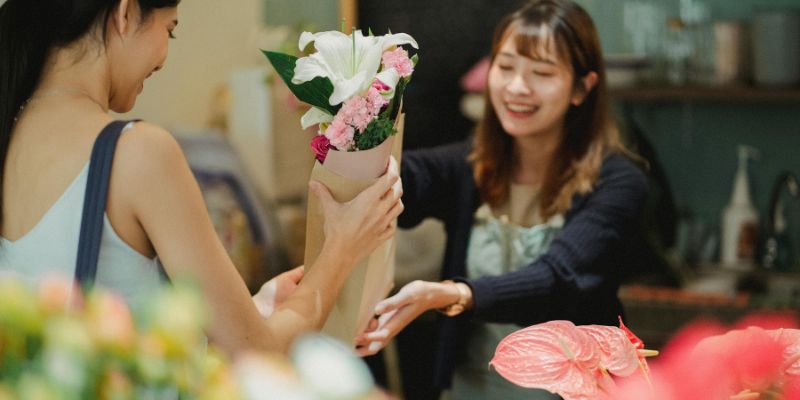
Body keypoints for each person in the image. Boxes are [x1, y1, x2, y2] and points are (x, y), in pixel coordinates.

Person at [0, 0, 403, 356]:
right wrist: (343, 248)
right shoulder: (137, 152)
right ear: (124, 13)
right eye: (169, 30)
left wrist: (249, 310)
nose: (163, 58)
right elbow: (258, 352)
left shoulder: (12, 137)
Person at [356, 0, 648, 398]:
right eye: (506, 67)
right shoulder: (469, 166)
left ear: (583, 87)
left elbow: (558, 281)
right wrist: (351, 121)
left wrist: (457, 294)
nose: (516, 87)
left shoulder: (619, 183)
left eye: (542, 73)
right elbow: (402, 180)